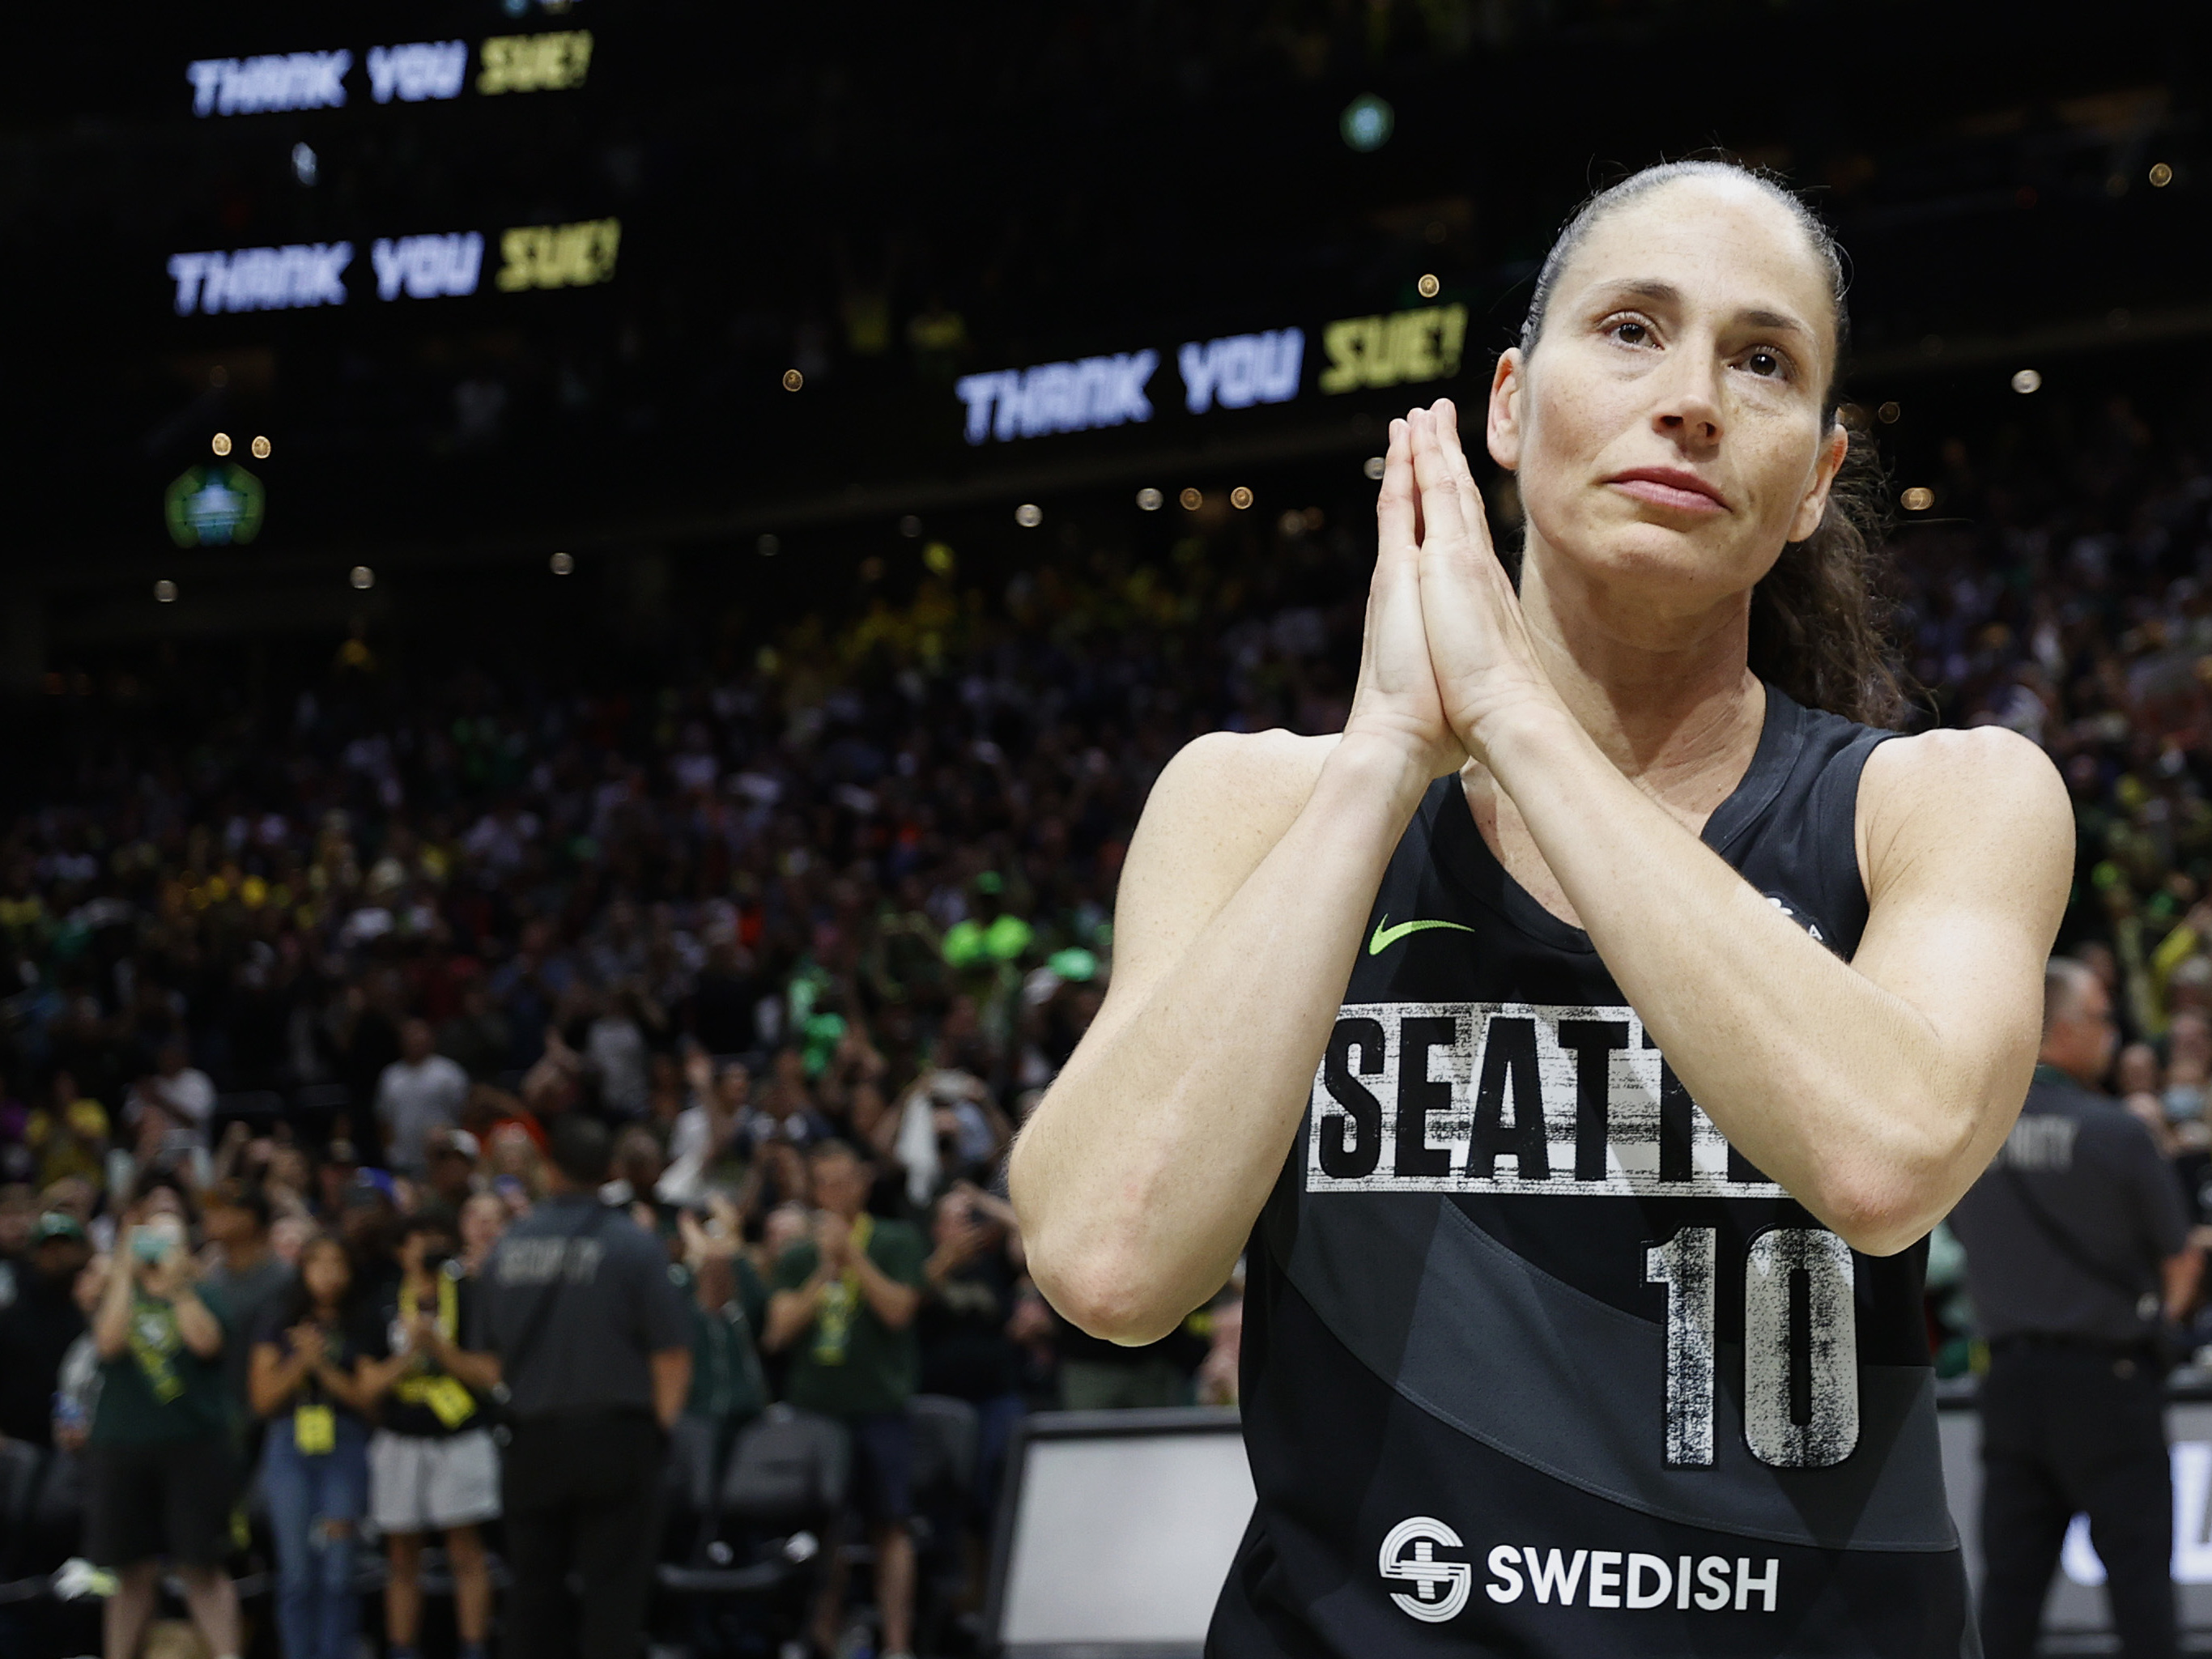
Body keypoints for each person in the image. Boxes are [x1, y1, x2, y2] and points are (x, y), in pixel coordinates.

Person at [1010, 158, 2073, 1655]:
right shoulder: (1254, 801)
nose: (1692, 398)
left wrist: (1512, 713)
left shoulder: (1943, 801)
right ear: (1506, 408)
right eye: (1631, 330)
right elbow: (1108, 1264)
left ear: (1813, 482)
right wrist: (1387, 756)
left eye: (1762, 362)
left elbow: (1883, 1157)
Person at [1950, 959, 2198, 1659]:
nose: (2111, 1031)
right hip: (2109, 1380)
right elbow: (2181, 1260)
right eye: (2100, 1016)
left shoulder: (1972, 1134)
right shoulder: (2116, 1132)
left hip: (2010, 1383)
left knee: (2009, 1594)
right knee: (2141, 1590)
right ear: (2059, 1030)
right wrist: (2162, 1326)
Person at [475, 1113, 692, 1659]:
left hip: (532, 1439)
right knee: (613, 1598)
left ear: (549, 1170)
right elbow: (672, 1355)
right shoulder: (634, 1246)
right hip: (616, 1435)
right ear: (611, 1171)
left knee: (532, 1595)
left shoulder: (506, 1247)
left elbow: (486, 1362)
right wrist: (656, 1433)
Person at [765, 1139, 926, 1659]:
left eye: (843, 1181)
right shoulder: (798, 1254)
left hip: (879, 1404)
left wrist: (852, 1255)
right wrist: (824, 1271)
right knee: (823, 1531)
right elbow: (778, 1332)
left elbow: (899, 1311)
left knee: (891, 1525)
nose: (834, 1193)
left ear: (862, 1184)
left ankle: (897, 1646)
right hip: (816, 1410)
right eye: (824, 1184)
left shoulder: (897, 1241)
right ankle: (824, 1640)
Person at [87, 1176, 240, 1659]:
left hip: (193, 1445)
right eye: (150, 1239)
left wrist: (177, 1288)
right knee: (129, 1570)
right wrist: (123, 1273)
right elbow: (108, 1343)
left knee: (202, 1567)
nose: (158, 1249)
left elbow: (206, 1342)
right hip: (123, 1444)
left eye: (168, 1239)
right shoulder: (120, 1290)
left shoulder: (205, 1293)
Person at [360, 1213, 503, 1659]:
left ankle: (473, 1648)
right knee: (401, 1555)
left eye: (438, 1238)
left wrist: (438, 1347)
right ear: (401, 1250)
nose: (429, 1248)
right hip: (400, 1437)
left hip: (460, 1436)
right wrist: (408, 1355)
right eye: (420, 1239)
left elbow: (490, 1374)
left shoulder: (472, 1294)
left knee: (466, 1552)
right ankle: (403, 1649)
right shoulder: (382, 1299)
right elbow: (366, 1386)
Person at [249, 1232, 378, 1659]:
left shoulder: (361, 1320)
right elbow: (263, 1399)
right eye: (318, 1263)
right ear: (302, 1270)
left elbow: (368, 1400)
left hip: (345, 1445)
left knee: (339, 1571)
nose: (328, 1274)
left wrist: (321, 1365)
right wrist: (300, 1361)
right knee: (297, 1573)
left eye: (337, 1263)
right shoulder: (279, 1319)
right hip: (290, 1445)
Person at [199, 1182, 291, 1449]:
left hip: (272, 1419)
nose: (210, 1216)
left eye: (221, 1209)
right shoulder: (209, 1279)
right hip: (217, 1414)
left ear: (250, 1218)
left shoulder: (285, 1280)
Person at [0, 1211, 91, 1445]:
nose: (56, 1255)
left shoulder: (91, 1311)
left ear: (81, 1251)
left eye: (64, 1246)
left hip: (85, 1438)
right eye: (48, 1248)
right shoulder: (12, 1316)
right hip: (21, 1439)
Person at [376, 1018, 471, 1177]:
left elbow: (464, 1113)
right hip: (402, 1160)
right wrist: (389, 1150)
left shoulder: (448, 1073)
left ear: (431, 1038)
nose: (416, 1040)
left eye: (420, 1034)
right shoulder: (391, 1076)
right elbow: (384, 1120)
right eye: (410, 1035)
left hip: (442, 1160)